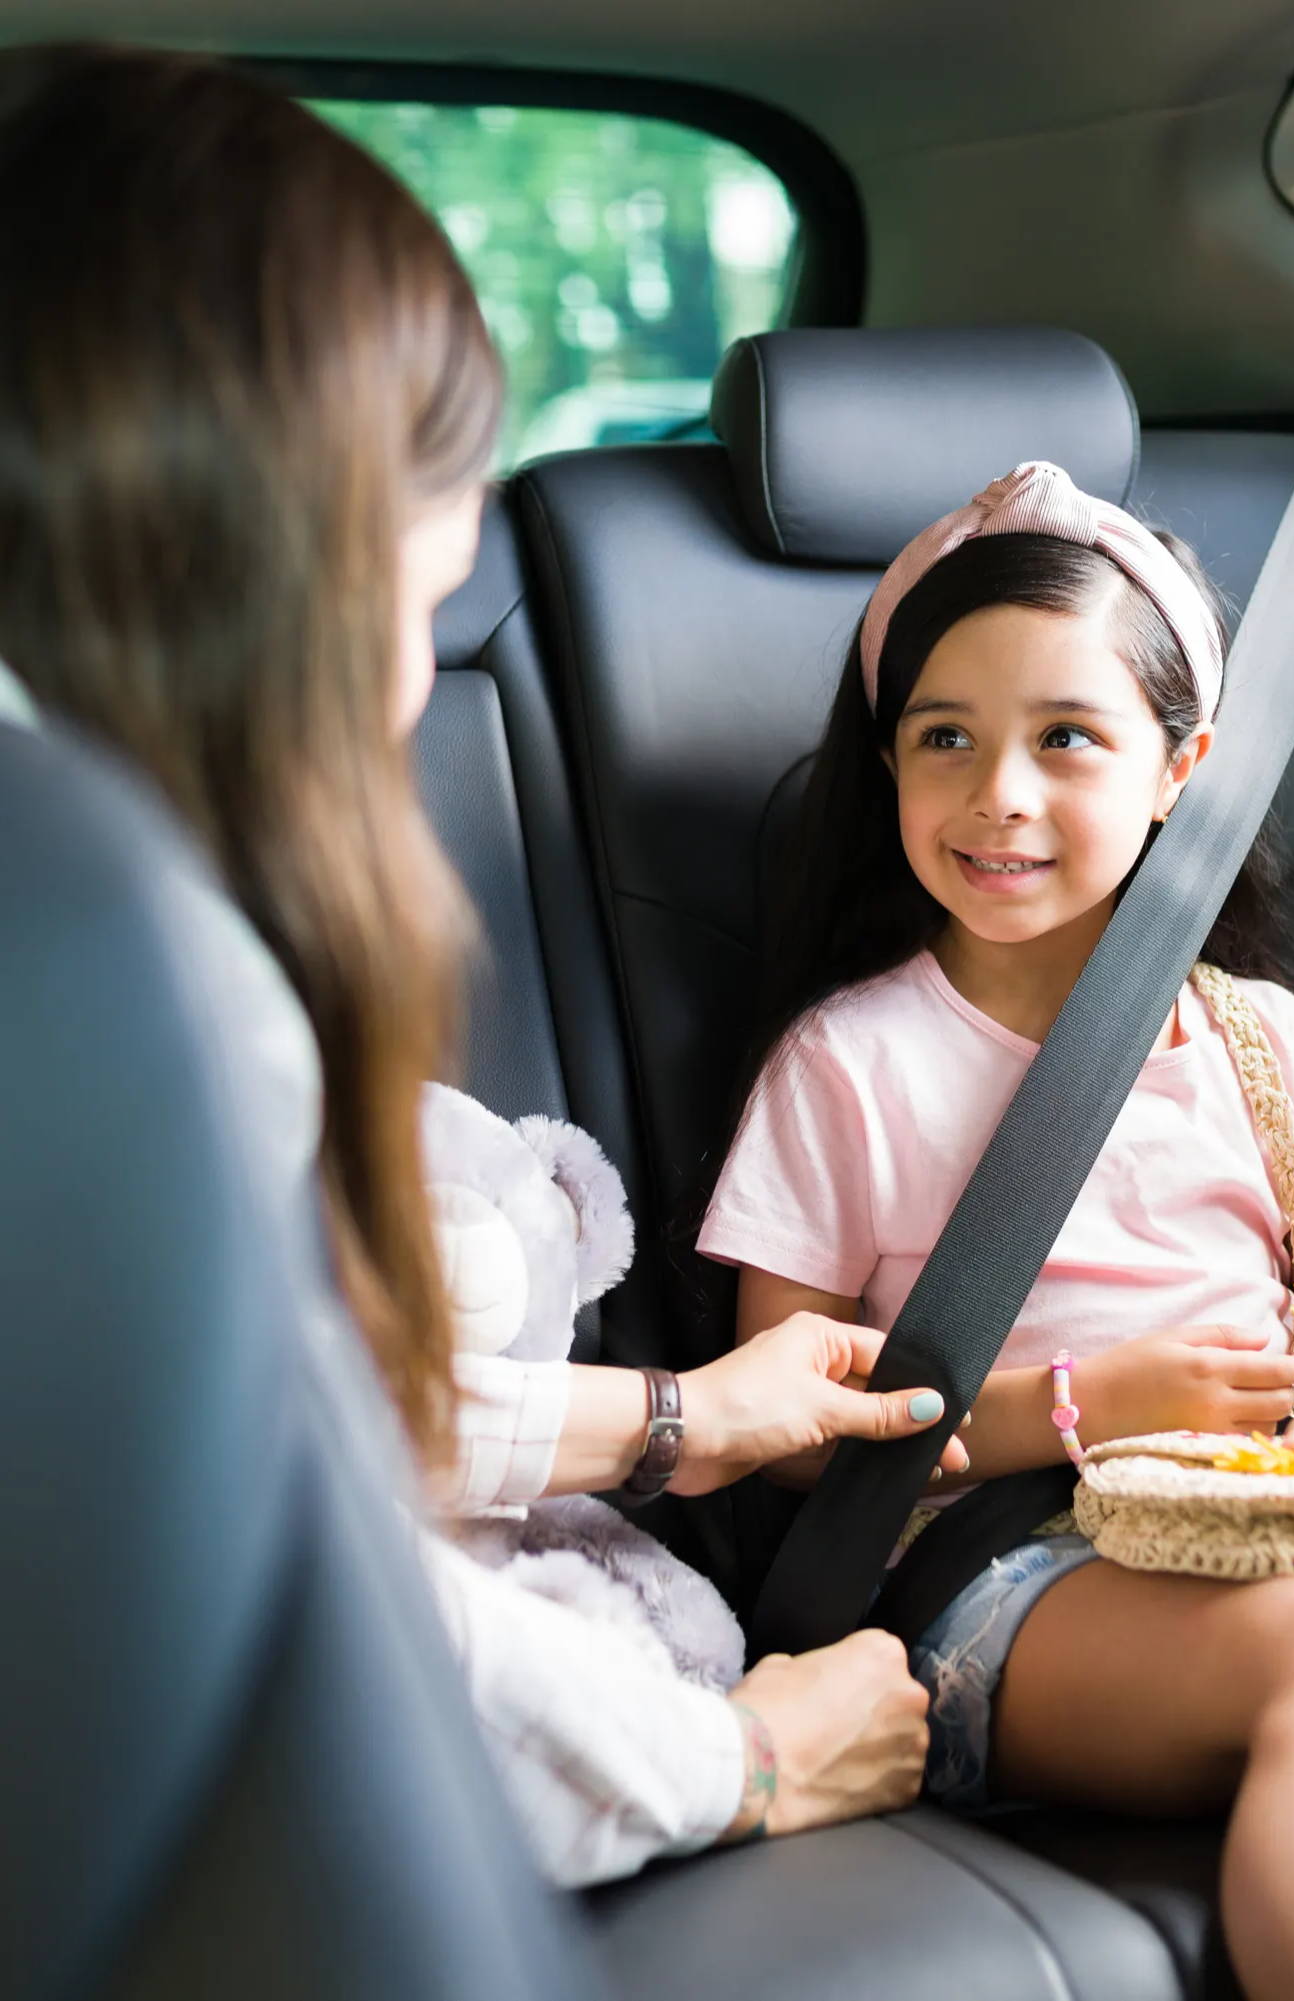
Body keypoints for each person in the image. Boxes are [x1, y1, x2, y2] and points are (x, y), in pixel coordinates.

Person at [0, 44, 965, 1888]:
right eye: (414, 597)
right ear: (277, 553)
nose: (404, 683)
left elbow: (291, 1412)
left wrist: (678, 1422)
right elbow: (336, 1624)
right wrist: (740, 1756)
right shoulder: (117, 991)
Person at [701, 458, 1294, 2001]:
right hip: (994, 1576)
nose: (998, 795)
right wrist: (1093, 1404)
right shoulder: (851, 1066)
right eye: (944, 738)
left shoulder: (1263, 1041)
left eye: (1068, 739)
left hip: (1279, 1520)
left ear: (1182, 769)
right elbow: (779, 1426)